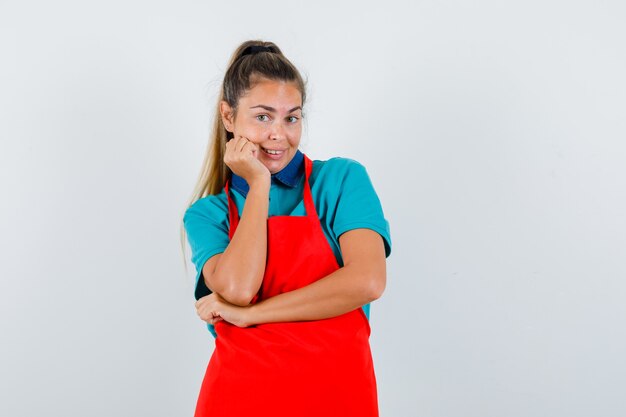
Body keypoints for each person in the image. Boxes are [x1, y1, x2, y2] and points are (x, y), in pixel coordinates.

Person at [181, 40, 392, 417]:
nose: (280, 134)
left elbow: (367, 281)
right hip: (239, 398)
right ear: (228, 117)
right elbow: (241, 289)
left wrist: (251, 316)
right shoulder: (207, 215)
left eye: (291, 118)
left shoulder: (341, 180)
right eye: (263, 117)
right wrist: (258, 184)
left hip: (337, 397)